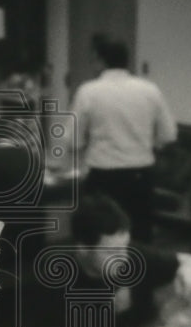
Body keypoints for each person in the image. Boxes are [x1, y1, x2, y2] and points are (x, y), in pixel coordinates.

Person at [34, 194, 180, 327]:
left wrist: (188, 278)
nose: (124, 259)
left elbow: (189, 263)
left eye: (125, 246)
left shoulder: (126, 253)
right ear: (83, 248)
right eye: (112, 252)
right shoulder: (56, 282)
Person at [69, 34, 177, 242]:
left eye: (94, 60)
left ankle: (101, 273)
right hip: (140, 176)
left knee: (100, 238)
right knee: (139, 236)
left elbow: (73, 139)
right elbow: (169, 134)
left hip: (103, 178)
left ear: (100, 61)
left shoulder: (88, 91)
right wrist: (145, 144)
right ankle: (140, 273)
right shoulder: (150, 90)